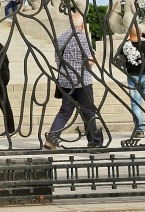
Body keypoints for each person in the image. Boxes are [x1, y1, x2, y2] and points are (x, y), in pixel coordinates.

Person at [44, 12, 102, 149]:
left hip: (65, 81)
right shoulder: (82, 38)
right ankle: (95, 142)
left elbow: (57, 61)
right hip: (82, 81)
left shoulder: (61, 38)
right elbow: (89, 61)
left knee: (64, 112)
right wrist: (96, 57)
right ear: (82, 25)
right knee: (88, 112)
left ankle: (51, 139)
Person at [117, 24, 145, 137]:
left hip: (133, 77)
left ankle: (139, 130)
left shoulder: (125, 46)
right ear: (140, 34)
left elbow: (117, 55)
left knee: (136, 105)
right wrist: (142, 34)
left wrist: (128, 38)